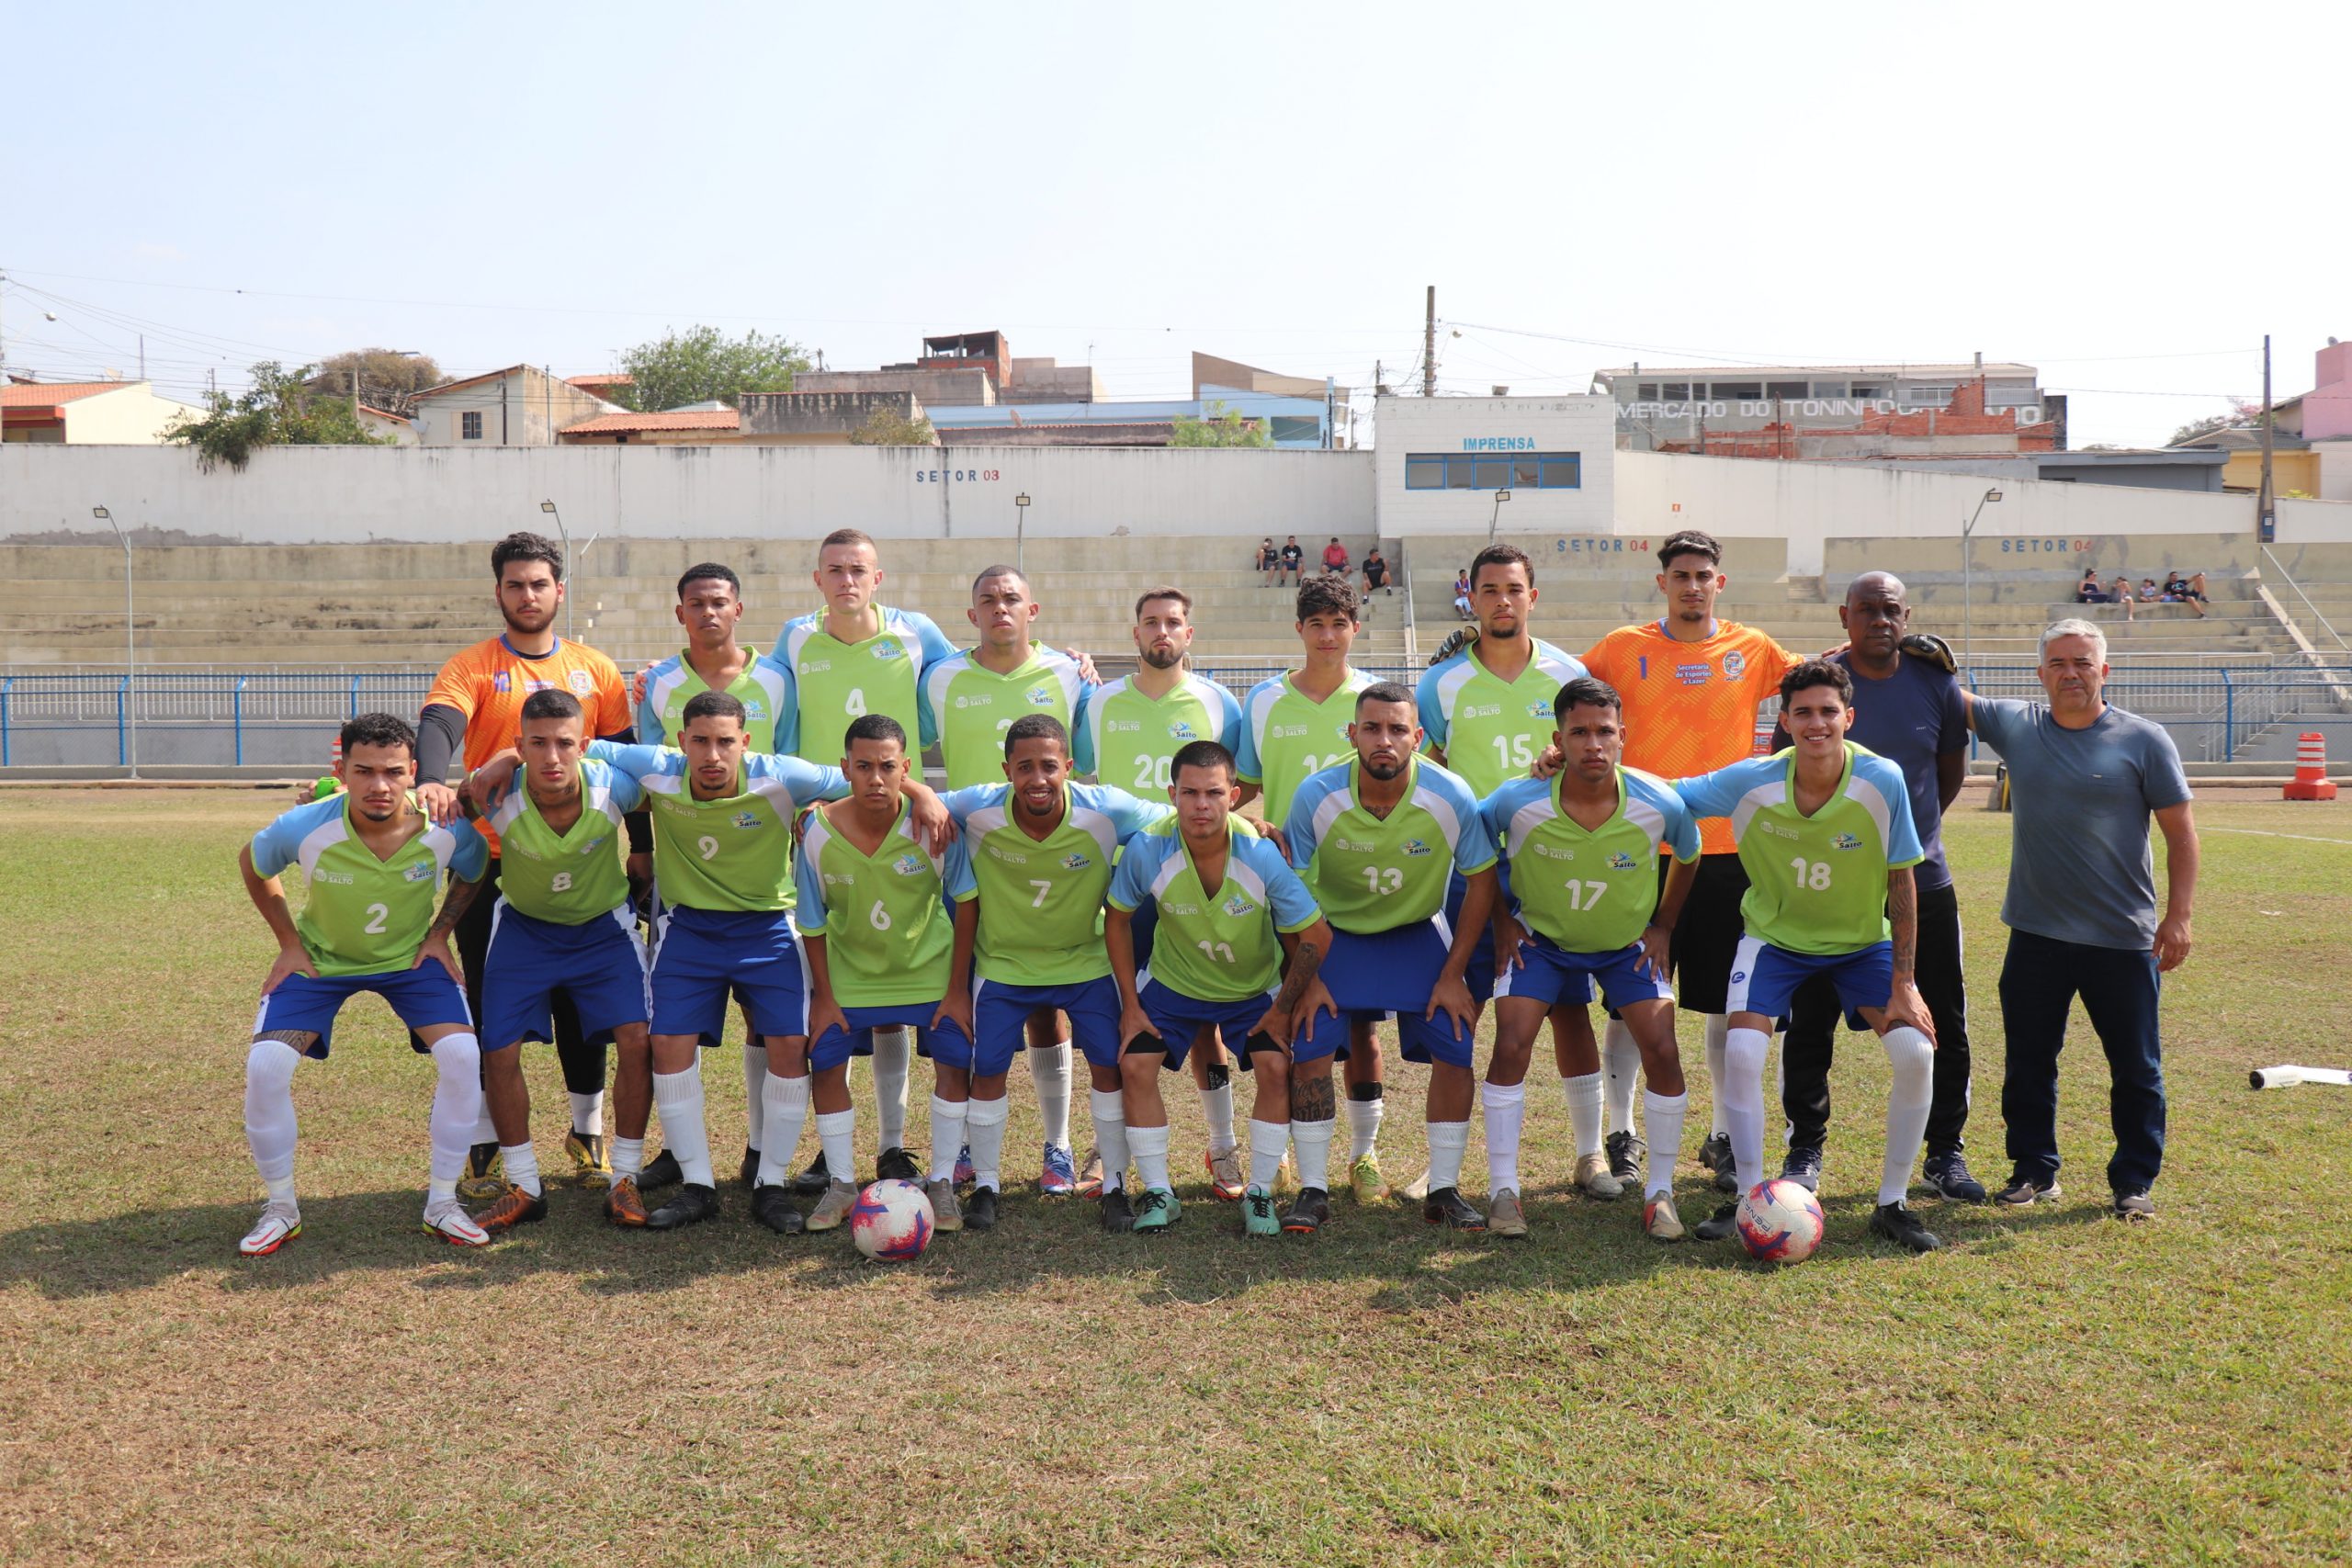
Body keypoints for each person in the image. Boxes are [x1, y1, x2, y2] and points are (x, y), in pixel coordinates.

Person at [480, 691, 947, 1235]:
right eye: (699, 740)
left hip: (769, 927)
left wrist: (920, 792)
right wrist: (506, 758)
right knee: (667, 1046)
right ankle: (699, 1185)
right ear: (680, 743)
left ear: (744, 743)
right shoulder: (657, 770)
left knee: (791, 1048)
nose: (712, 755)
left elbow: (864, 773)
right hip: (689, 930)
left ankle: (769, 1184)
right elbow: (574, 749)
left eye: (725, 741)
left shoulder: (780, 776)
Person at [1672, 660, 1946, 1255]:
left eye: (1828, 711)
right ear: (1785, 719)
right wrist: (1578, 766)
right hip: (1774, 939)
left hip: (1859, 943)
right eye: (1804, 711)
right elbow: (1672, 796)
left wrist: (1905, 981)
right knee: (1743, 1049)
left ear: (1849, 716)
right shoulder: (1752, 779)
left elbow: (1902, 882)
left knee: (1915, 1052)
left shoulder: (1882, 778)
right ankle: (1750, 1199)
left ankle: (1891, 1204)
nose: (1816, 722)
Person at [415, 531, 640, 1199]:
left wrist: (646, 849)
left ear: (559, 591)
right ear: (499, 593)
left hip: (581, 853)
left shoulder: (594, 669)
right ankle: (488, 1135)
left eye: (539, 583)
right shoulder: (475, 665)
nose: (528, 595)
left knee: (583, 1004)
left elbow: (624, 757)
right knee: (490, 1003)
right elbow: (439, 723)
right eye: (515, 584)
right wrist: (431, 778)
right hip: (490, 858)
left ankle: (586, 1129)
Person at [1577, 529, 1802, 1194]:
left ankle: (1725, 1137)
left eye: (1703, 574)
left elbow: (1822, 678)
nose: (1693, 585)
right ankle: (1623, 1134)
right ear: (1663, 583)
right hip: (1639, 846)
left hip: (1728, 852)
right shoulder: (1623, 648)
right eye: (1681, 574)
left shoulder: (1752, 648)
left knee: (1724, 1005)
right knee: (1629, 1003)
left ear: (1719, 582)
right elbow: (1560, 690)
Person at [1966, 619, 2196, 1222]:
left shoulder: (2144, 740)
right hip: (2036, 933)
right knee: (2028, 1059)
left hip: (2123, 939)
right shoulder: (2018, 727)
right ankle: (2033, 1170)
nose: (2072, 673)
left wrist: (2178, 917)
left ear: (2104, 670)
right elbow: (1944, 695)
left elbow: (2181, 835)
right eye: (2060, 663)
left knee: (2137, 1065)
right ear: (2041, 674)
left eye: (2083, 662)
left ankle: (2133, 1180)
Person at [235, 713, 491, 1254]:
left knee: (465, 1056)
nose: (380, 786)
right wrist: (288, 942)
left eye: (393, 772)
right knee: (266, 1066)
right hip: (322, 963)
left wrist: (441, 932)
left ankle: (443, 1202)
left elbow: (475, 868)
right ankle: (280, 1207)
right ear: (342, 771)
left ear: (413, 771)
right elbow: (254, 864)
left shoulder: (445, 830)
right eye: (364, 771)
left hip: (408, 963)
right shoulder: (304, 825)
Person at [1770, 572, 1982, 1203]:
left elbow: (1947, 777)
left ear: (1907, 614)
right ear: (1845, 616)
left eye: (1892, 609)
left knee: (1941, 1016)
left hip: (1923, 881)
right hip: (1831, 884)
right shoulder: (1820, 684)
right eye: (1868, 610)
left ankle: (1945, 1151)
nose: (1881, 620)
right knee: (1811, 1021)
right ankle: (1805, 1146)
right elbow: (1786, 771)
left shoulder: (1935, 683)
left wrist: (1906, 843)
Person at [775, 529, 965, 1195]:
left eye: (859, 569)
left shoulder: (917, 634)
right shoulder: (795, 639)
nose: (847, 579)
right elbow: (767, 703)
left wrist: (913, 787)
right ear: (817, 577)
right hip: (825, 823)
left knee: (893, 992)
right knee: (836, 985)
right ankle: (827, 1158)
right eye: (835, 570)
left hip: (892, 807)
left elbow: (965, 678)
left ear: (878, 578)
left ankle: (892, 1146)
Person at [937, 715, 1172, 1233]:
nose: (1037, 779)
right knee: (990, 1070)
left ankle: (1114, 1185)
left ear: (1069, 766)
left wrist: (1255, 826)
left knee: (1109, 1068)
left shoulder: (1106, 809)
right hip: (1003, 965)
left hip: (1086, 962)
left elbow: (1180, 817)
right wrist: (920, 792)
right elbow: (908, 794)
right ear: (1006, 770)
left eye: (1049, 766)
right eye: (1024, 767)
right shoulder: (978, 807)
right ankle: (987, 1185)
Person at [1482, 678, 1698, 1239]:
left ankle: (1661, 1194)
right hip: (1543, 944)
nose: (1593, 744)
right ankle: (1504, 1190)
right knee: (1511, 1042)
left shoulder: (1658, 801)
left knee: (1663, 1047)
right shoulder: (1518, 799)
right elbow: (1477, 845)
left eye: (1605, 731)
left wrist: (1664, 927)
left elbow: (1690, 854)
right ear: (1558, 739)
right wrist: (1503, 922)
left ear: (1624, 736)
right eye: (1579, 732)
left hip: (1627, 946)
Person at [1417, 543, 1600, 1198]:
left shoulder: (1566, 672)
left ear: (1532, 596)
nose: (1501, 600)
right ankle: (1444, 1170)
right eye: (1488, 589)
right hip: (1469, 870)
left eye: (1513, 589)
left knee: (1571, 1009)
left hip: (1550, 861)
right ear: (1470, 596)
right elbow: (1431, 765)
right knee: (1460, 1011)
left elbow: (1593, 751)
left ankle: (1589, 1155)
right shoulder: (1439, 683)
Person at [1283, 683, 1498, 1233]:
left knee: (1456, 1043)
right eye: (1373, 728)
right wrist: (1306, 979)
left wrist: (1453, 973)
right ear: (1351, 734)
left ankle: (1445, 1190)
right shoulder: (1316, 794)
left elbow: (1481, 882)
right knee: (1309, 1044)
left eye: (1398, 729)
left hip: (1415, 933)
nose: (1385, 740)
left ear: (1418, 737)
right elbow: (1291, 895)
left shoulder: (1450, 794)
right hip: (1335, 938)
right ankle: (1312, 1188)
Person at [1105, 740, 1336, 1236]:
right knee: (1134, 1062)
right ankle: (1159, 1192)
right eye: (1189, 793)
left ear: (1234, 795)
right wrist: (1130, 1003)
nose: (1201, 805)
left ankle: (1258, 1193)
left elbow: (1317, 934)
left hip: (1250, 990)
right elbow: (1118, 920)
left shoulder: (1260, 855)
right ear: (1172, 794)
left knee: (1275, 1065)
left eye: (1213, 793)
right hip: (1174, 984)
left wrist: (1283, 1008)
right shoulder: (1147, 848)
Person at [920, 565, 1099, 1197]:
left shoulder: (1070, 675)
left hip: (1045, 858)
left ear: (1034, 609)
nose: (1001, 608)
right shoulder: (938, 675)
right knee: (967, 996)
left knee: (1049, 1008)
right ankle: (967, 1141)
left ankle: (1059, 1144)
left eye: (1012, 598)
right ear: (971, 614)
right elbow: (911, 757)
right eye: (988, 600)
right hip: (967, 859)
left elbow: (1087, 771)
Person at [464, 690, 657, 1230]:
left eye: (565, 743)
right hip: (525, 932)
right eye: (538, 743)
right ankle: (525, 1184)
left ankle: (625, 1178)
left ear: (586, 746)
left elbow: (687, 786)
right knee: (497, 1049)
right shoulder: (495, 792)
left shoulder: (614, 785)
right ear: (520, 747)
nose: (552, 756)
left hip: (603, 932)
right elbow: (438, 807)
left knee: (638, 1040)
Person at [1081, 586, 1252, 1198]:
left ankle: (1224, 1148)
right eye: (1150, 621)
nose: (1162, 631)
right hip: (1125, 884)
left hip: (1197, 878)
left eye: (1173, 622)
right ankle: (1107, 1146)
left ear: (1189, 633)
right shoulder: (1099, 702)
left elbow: (1235, 785)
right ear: (1135, 633)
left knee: (1208, 1020)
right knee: (1117, 1014)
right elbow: (1081, 777)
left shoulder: (1217, 702)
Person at [638, 562, 798, 1194]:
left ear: (738, 608)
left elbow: (816, 770)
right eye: (697, 603)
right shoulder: (657, 684)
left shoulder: (778, 683)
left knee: (780, 1032)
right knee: (674, 1030)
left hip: (767, 898)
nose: (709, 613)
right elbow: (626, 766)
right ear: (681, 611)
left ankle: (766, 1166)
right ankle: (691, 1170)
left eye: (720, 602)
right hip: (687, 899)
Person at [1234, 577, 1390, 1201]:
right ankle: (1297, 1151)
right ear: (1299, 629)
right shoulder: (1266, 699)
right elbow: (1242, 788)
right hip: (1287, 888)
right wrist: (1247, 820)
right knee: (1295, 1019)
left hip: (1360, 886)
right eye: (1316, 623)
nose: (1328, 634)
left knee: (1364, 1031)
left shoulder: (1373, 698)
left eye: (1340, 622)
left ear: (1356, 627)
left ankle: (1365, 1154)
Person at [793, 714, 974, 1232]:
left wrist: (958, 989)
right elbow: (811, 921)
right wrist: (824, 997)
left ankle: (941, 1182)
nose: (876, 778)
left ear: (906, 769)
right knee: (826, 1060)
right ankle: (843, 1185)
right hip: (850, 976)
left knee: (954, 1056)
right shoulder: (817, 833)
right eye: (864, 766)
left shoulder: (934, 827)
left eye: (888, 767)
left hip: (928, 971)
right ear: (845, 768)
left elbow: (965, 905)